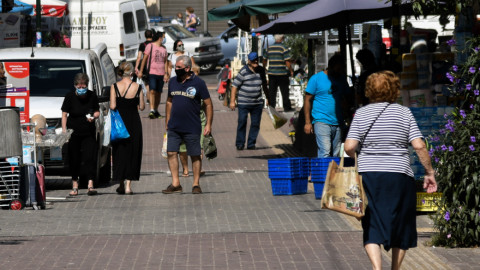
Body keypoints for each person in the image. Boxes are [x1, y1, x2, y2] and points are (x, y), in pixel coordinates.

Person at [344, 71, 437, 270]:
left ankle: (377, 268)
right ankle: (395, 268)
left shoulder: (361, 113)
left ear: (369, 90)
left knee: (371, 223)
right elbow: (419, 146)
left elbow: (349, 146)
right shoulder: (404, 113)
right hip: (399, 176)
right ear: (394, 89)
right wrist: (429, 172)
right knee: (401, 223)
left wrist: (361, 157)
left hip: (369, 177)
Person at [163, 55, 213, 194]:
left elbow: (208, 104)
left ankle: (196, 184)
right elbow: (169, 101)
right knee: (171, 152)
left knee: (195, 155)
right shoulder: (173, 82)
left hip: (192, 126)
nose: (175, 69)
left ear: (187, 68)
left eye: (178, 68)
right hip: (174, 126)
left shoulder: (199, 83)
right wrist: (167, 119)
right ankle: (175, 183)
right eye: (175, 67)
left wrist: (208, 124)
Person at [303, 54, 350, 157]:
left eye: (342, 69)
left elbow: (346, 98)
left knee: (336, 154)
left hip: (338, 123)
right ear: (331, 66)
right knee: (325, 152)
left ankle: (331, 173)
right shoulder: (316, 79)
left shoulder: (342, 80)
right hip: (321, 121)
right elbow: (307, 100)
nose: (340, 71)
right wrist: (307, 122)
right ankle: (323, 173)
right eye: (338, 68)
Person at [61, 73, 100, 196]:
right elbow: (64, 114)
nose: (81, 89)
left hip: (88, 131)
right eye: (79, 86)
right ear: (75, 86)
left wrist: (93, 117)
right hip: (74, 132)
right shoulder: (69, 96)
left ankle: (90, 184)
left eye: (84, 86)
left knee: (90, 157)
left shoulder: (92, 96)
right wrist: (64, 131)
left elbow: (97, 111)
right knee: (74, 158)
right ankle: (75, 185)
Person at [110, 62, 145, 195]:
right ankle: (129, 186)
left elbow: (113, 106)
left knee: (119, 153)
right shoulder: (138, 87)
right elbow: (142, 107)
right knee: (132, 152)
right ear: (131, 73)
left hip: (119, 123)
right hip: (134, 123)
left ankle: (120, 183)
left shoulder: (114, 86)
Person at [229, 52, 268, 150]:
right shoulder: (243, 71)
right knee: (242, 121)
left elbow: (264, 85)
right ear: (249, 61)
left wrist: (268, 98)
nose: (255, 62)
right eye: (253, 60)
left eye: (256, 60)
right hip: (244, 102)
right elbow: (234, 86)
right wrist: (232, 101)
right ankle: (240, 143)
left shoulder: (261, 71)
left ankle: (251, 144)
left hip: (257, 102)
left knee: (255, 123)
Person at [138, 31, 168, 119]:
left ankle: (156, 110)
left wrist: (166, 74)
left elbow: (165, 61)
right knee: (152, 91)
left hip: (161, 73)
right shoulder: (150, 46)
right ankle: (151, 110)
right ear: (160, 38)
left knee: (158, 92)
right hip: (152, 72)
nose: (164, 38)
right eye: (163, 37)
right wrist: (140, 71)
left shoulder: (164, 48)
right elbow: (144, 59)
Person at [262, 34, 293, 111]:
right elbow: (287, 62)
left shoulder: (269, 48)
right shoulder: (284, 47)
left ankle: (272, 108)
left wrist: (264, 67)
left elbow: (264, 59)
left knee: (272, 92)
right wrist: (291, 70)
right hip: (282, 73)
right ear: (282, 38)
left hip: (272, 74)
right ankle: (287, 108)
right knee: (285, 92)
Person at [135, 29, 154, 104]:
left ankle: (149, 99)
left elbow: (139, 57)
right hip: (155, 65)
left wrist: (136, 67)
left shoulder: (142, 45)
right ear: (152, 35)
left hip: (146, 67)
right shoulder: (156, 44)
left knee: (147, 84)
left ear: (144, 36)